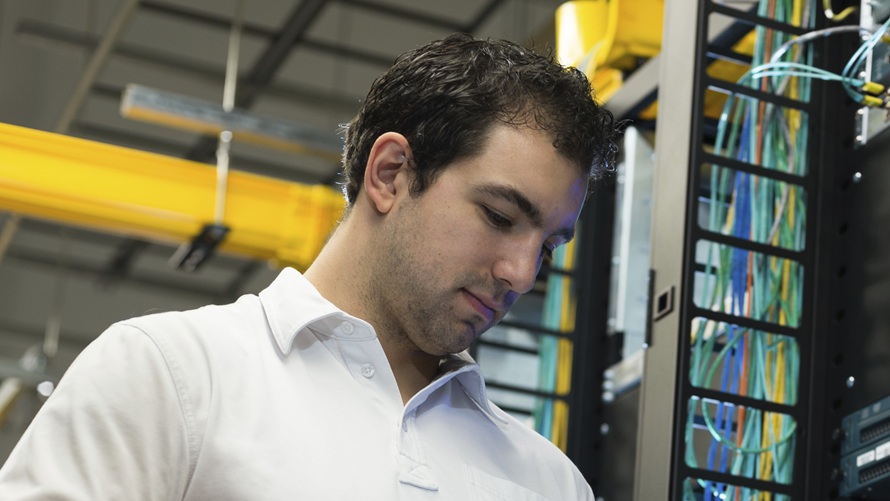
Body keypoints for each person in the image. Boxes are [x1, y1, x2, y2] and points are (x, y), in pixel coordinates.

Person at [0, 33, 618, 500]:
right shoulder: (172, 375)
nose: (521, 271)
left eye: (550, 246)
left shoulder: (549, 482)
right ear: (391, 174)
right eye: (500, 216)